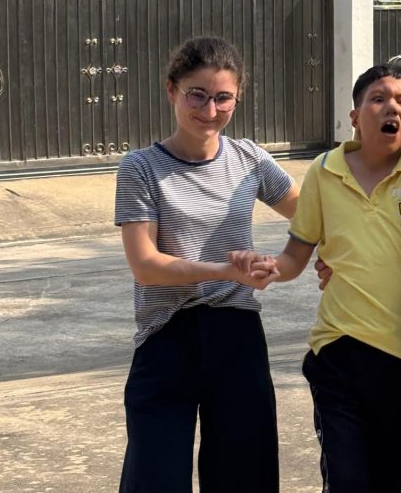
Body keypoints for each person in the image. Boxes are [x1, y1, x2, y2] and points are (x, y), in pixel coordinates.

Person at [230, 63, 401, 493]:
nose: (392, 108)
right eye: (379, 98)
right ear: (355, 116)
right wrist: (272, 270)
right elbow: (297, 253)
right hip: (336, 353)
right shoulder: (325, 173)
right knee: (346, 481)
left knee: (392, 482)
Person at [113, 36, 298, 493]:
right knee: (157, 478)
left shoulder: (250, 159)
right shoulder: (140, 168)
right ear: (171, 89)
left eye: (223, 98)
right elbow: (147, 266)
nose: (210, 110)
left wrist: (289, 262)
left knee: (246, 476)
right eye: (197, 94)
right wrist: (224, 271)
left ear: (238, 97)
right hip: (166, 338)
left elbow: (316, 217)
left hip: (237, 337)